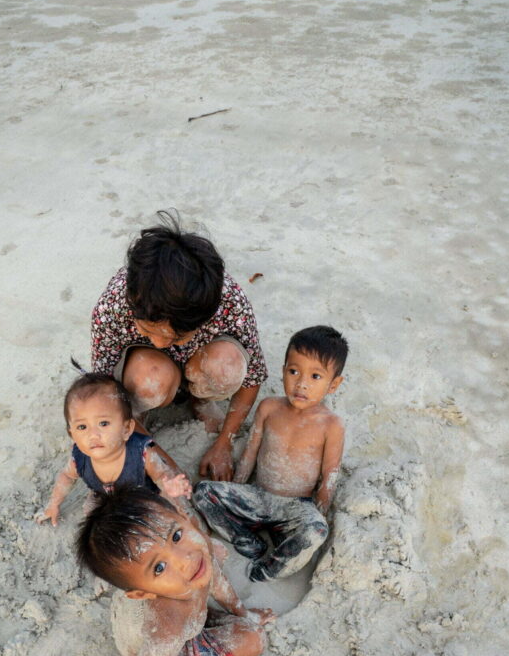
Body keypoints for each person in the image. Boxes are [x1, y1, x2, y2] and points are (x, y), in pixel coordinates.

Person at [76, 487, 274, 656]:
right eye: (159, 567)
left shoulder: (195, 558)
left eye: (177, 535)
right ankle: (204, 625)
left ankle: (205, 615)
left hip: (176, 615)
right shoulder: (168, 632)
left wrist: (243, 613)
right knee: (253, 639)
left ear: (182, 515)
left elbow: (218, 582)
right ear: (143, 593)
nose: (185, 558)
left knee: (215, 552)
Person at [89, 211, 268, 481]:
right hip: (151, 369)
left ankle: (200, 399)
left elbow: (253, 375)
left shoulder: (228, 300)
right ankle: (139, 417)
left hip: (201, 361)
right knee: (150, 380)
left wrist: (224, 442)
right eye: (148, 331)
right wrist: (160, 461)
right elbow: (103, 392)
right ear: (133, 300)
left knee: (227, 366)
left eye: (177, 338)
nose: (161, 342)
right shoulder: (112, 305)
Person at [193, 326, 348, 582]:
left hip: (295, 507)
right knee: (203, 493)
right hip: (259, 497)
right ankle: (247, 539)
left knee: (316, 531)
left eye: (315, 377)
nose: (301, 384)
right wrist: (238, 490)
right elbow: (250, 454)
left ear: (334, 384)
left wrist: (318, 516)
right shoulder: (269, 408)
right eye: (293, 371)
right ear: (284, 369)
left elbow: (328, 478)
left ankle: (267, 569)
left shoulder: (331, 425)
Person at [37, 365, 191, 527]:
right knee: (92, 513)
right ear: (72, 435)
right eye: (82, 427)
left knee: (169, 512)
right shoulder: (79, 459)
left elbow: (161, 475)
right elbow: (67, 477)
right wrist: (53, 504)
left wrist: (169, 485)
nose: (93, 434)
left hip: (143, 499)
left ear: (126, 429)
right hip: (104, 497)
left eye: (103, 423)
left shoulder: (141, 453)